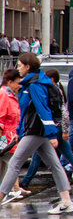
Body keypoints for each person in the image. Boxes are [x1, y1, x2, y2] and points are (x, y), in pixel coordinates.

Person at [0, 53, 73, 214]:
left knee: (14, 164)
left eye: (20, 65)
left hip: (35, 131)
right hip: (36, 131)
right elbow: (26, 111)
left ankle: (0, 196)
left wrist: (52, 134)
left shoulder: (34, 85)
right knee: (55, 165)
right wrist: (19, 131)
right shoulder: (33, 83)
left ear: (28, 67)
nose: (18, 68)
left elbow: (43, 110)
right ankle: (67, 201)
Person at [21, 70, 73, 192]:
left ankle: (25, 182)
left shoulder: (49, 89)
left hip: (50, 129)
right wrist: (63, 129)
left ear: (52, 79)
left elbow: (59, 111)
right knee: (69, 155)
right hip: (57, 127)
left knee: (37, 157)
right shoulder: (57, 89)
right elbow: (63, 111)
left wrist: (63, 130)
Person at [0, 69, 24, 201]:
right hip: (5, 137)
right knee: (12, 163)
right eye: (17, 83)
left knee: (5, 165)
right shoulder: (3, 94)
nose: (19, 86)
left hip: (10, 137)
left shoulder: (11, 95)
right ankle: (10, 189)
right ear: (10, 82)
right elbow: (1, 118)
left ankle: (6, 190)